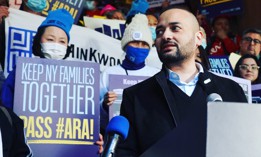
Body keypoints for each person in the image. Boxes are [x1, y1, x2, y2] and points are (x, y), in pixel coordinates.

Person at [115, 7, 247, 156]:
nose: (165, 36)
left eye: (175, 28)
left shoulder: (231, 90)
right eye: (159, 31)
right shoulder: (135, 97)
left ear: (198, 38)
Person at [1, 8, 104, 154]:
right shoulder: (20, 72)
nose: (56, 44)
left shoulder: (78, 78)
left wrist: (92, 139)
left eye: (62, 41)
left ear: (68, 46)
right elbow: (6, 112)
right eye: (50, 39)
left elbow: (85, 120)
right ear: (39, 40)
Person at [99, 13, 160, 134]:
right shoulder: (108, 73)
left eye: (144, 44)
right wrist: (105, 105)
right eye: (135, 42)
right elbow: (95, 117)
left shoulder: (156, 75)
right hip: (117, 140)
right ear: (125, 45)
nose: (139, 47)